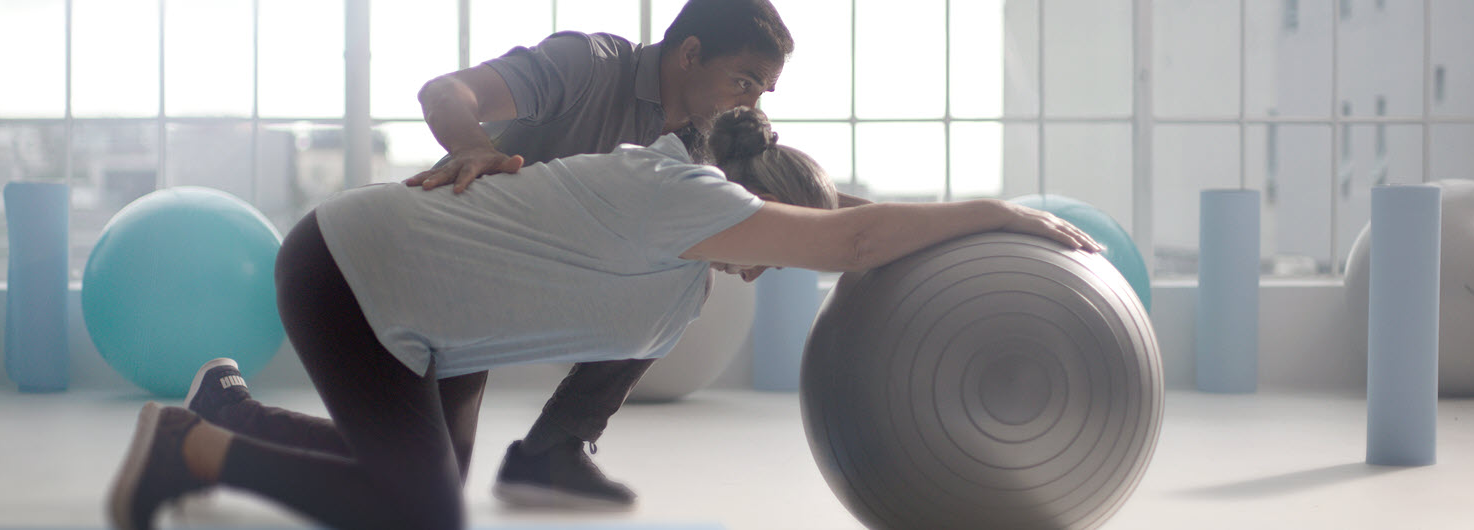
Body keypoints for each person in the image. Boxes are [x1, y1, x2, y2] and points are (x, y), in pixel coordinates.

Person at [106, 107, 1103, 529]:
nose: (771, 268)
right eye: (773, 239)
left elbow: (838, 226)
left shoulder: (685, 258)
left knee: (426, 473)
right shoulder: (683, 196)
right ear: (746, 201)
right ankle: (187, 449)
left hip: (434, 316)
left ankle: (227, 405)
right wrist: (999, 212)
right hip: (352, 274)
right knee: (423, 512)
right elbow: (849, 241)